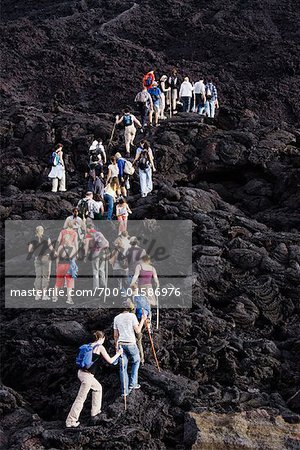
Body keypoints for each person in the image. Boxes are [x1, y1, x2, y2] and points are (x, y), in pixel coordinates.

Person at [66, 331, 123, 428]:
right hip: (87, 376)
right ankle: (71, 421)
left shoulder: (89, 345)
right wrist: (118, 353)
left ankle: (95, 412)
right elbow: (110, 361)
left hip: (81, 373)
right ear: (102, 338)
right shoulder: (100, 347)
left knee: (98, 388)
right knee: (80, 398)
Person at [113, 300, 147, 396]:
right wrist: (143, 320)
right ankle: (133, 383)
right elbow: (138, 330)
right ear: (130, 308)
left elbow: (115, 335)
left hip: (120, 344)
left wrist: (116, 346)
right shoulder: (132, 316)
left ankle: (124, 392)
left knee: (123, 367)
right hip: (131, 343)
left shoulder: (116, 318)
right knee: (136, 361)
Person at [28, 225, 54, 301]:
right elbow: (50, 247)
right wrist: (55, 252)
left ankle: (37, 296)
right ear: (42, 231)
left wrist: (35, 252)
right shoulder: (46, 237)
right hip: (46, 258)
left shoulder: (33, 239)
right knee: (45, 277)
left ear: (36, 231)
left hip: (37, 258)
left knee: (38, 276)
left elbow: (29, 250)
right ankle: (44, 295)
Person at [53, 233, 78, 305]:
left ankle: (55, 297)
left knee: (58, 282)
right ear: (70, 239)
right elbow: (74, 258)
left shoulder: (60, 247)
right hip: (69, 266)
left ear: (63, 240)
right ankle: (69, 299)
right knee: (69, 283)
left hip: (60, 265)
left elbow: (57, 258)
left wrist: (56, 267)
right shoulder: (73, 248)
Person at [131, 283, 151, 365]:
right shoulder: (144, 297)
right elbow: (149, 309)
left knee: (138, 340)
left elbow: (133, 312)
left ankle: (139, 359)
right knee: (139, 340)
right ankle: (141, 359)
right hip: (145, 318)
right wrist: (149, 319)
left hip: (139, 320)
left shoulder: (134, 298)